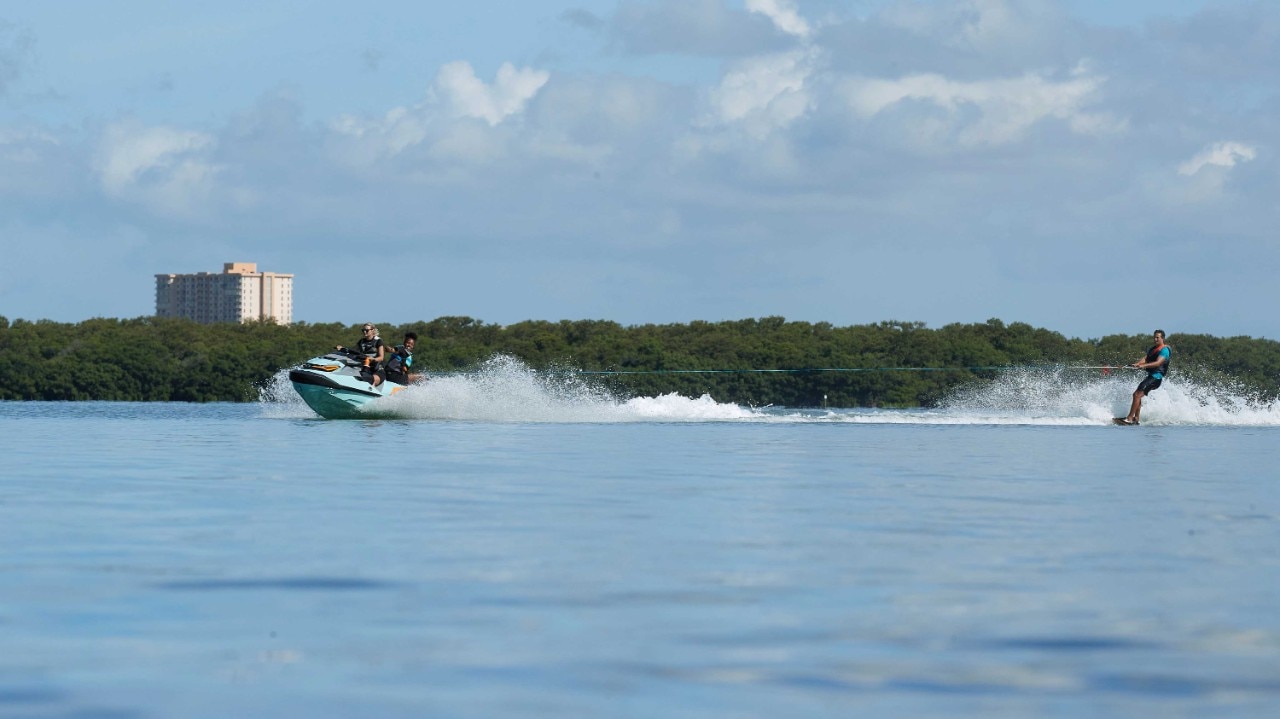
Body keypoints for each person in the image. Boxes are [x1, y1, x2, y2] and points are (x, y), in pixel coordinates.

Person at [1119, 329, 1170, 425]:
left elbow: (1158, 363)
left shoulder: (1165, 350)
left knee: (1137, 395)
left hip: (1156, 378)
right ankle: (1136, 419)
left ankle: (1130, 418)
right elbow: (1146, 358)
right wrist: (1137, 364)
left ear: (1162, 338)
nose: (1155, 339)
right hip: (1151, 377)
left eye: (1157, 338)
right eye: (1154, 337)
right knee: (1137, 395)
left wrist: (1143, 366)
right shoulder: (1153, 349)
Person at [336, 323, 386, 387]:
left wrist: (373, 359)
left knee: (369, 378)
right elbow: (353, 350)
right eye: (363, 330)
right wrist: (342, 349)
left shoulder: (378, 341)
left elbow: (381, 357)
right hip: (365, 367)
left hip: (376, 369)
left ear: (372, 330)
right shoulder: (361, 341)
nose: (364, 332)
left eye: (367, 330)